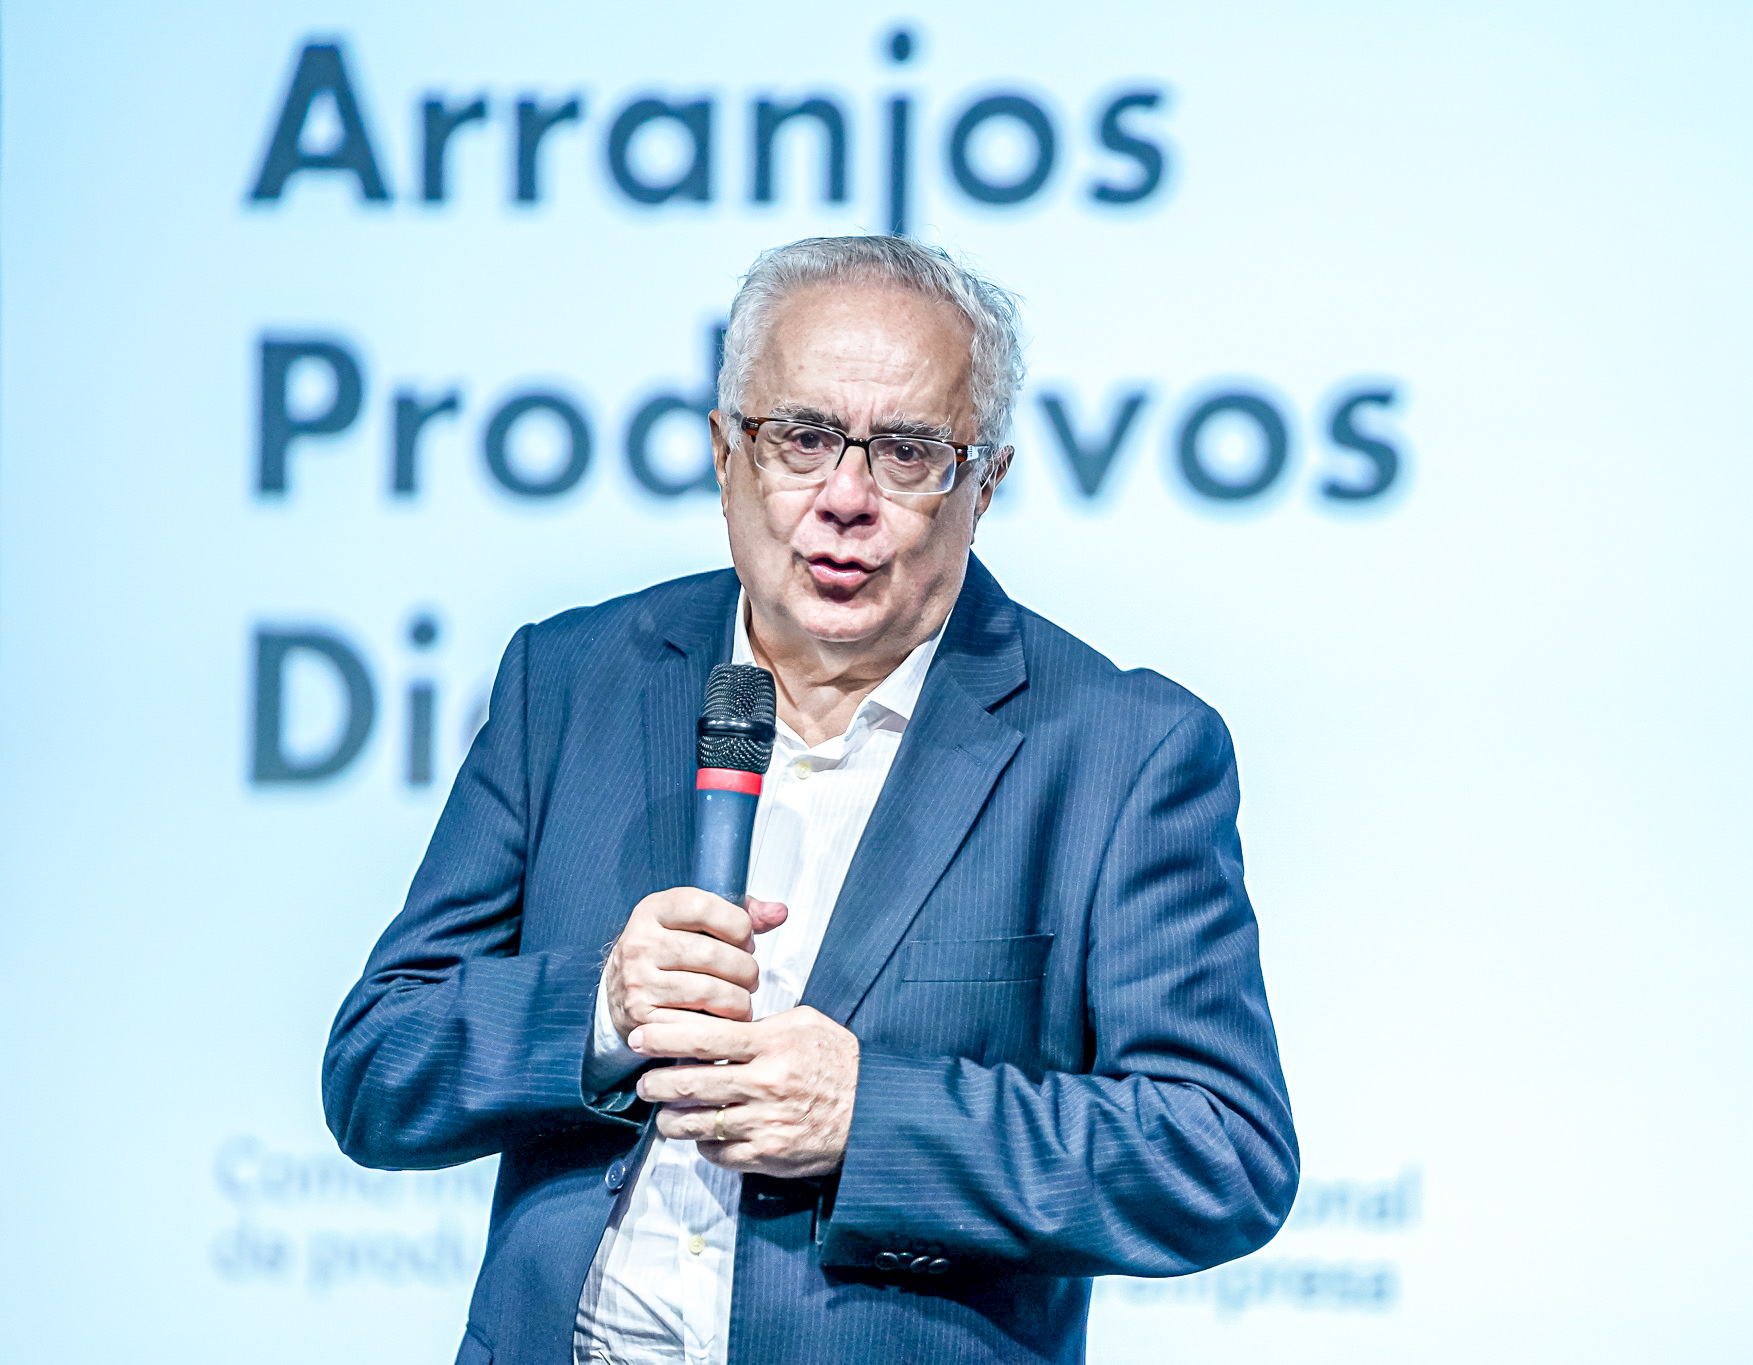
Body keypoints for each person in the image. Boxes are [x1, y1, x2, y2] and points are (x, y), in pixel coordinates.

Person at [324, 235, 1298, 1365]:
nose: (845, 498)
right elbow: (375, 1070)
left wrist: (867, 1116)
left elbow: (1218, 1155)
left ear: (984, 484)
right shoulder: (571, 678)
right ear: (724, 455)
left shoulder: (1120, 751)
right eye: (802, 437)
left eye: (907, 452)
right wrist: (600, 1012)